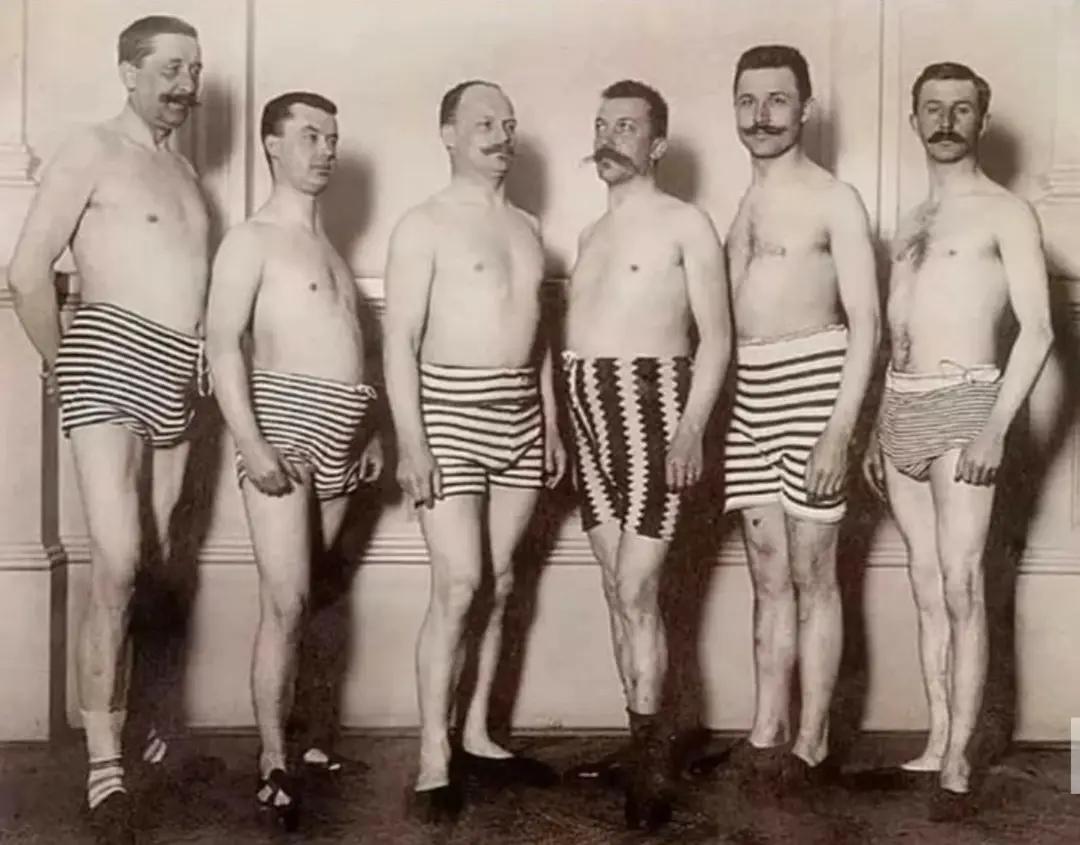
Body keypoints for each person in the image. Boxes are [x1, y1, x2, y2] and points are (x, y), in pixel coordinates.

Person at [7, 16, 207, 843]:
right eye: (168, 68)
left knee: (158, 565)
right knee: (117, 559)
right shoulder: (89, 148)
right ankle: (102, 761)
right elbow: (25, 272)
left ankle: (146, 723)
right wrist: (69, 367)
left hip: (180, 371)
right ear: (127, 73)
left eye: (194, 70)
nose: (185, 84)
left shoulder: (187, 172)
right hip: (107, 352)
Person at [863, 61, 1053, 820]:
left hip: (969, 401)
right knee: (923, 585)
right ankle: (939, 738)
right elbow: (895, 334)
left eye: (962, 109)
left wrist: (996, 427)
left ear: (982, 120)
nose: (946, 120)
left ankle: (961, 763)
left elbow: (1037, 331)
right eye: (933, 108)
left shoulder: (1004, 211)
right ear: (914, 120)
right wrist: (880, 422)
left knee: (961, 582)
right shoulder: (908, 219)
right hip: (901, 408)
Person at [383, 80, 566, 823]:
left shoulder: (527, 227)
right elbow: (398, 339)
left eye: (509, 123)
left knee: (498, 578)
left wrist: (551, 423)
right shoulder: (422, 224)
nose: (501, 134)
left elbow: (541, 338)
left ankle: (479, 735)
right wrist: (412, 442)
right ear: (448, 134)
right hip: (448, 414)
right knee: (457, 582)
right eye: (484, 122)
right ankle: (433, 752)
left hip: (521, 415)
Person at [206, 91, 383, 830]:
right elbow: (221, 343)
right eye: (309, 135)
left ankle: (308, 741)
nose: (325, 148)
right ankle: (272, 758)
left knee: (316, 595)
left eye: (332, 137)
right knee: (284, 598)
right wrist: (251, 441)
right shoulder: (252, 238)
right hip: (283, 427)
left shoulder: (330, 248)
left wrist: (370, 430)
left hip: (345, 435)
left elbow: (349, 346)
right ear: (272, 146)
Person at [562, 79, 731, 830]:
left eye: (626, 126)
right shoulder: (588, 235)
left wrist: (692, 428)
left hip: (654, 404)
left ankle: (653, 762)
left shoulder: (686, 223)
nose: (609, 137)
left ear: (657, 144)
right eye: (602, 125)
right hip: (583, 406)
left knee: (637, 589)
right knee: (614, 588)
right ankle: (644, 739)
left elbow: (718, 337)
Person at [720, 44, 880, 790]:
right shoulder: (742, 203)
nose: (762, 116)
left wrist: (839, 429)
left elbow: (868, 325)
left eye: (778, 100)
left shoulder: (834, 199)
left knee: (816, 574)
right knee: (766, 570)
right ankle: (766, 729)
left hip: (815, 385)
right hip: (748, 395)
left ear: (806, 109)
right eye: (749, 101)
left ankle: (812, 740)